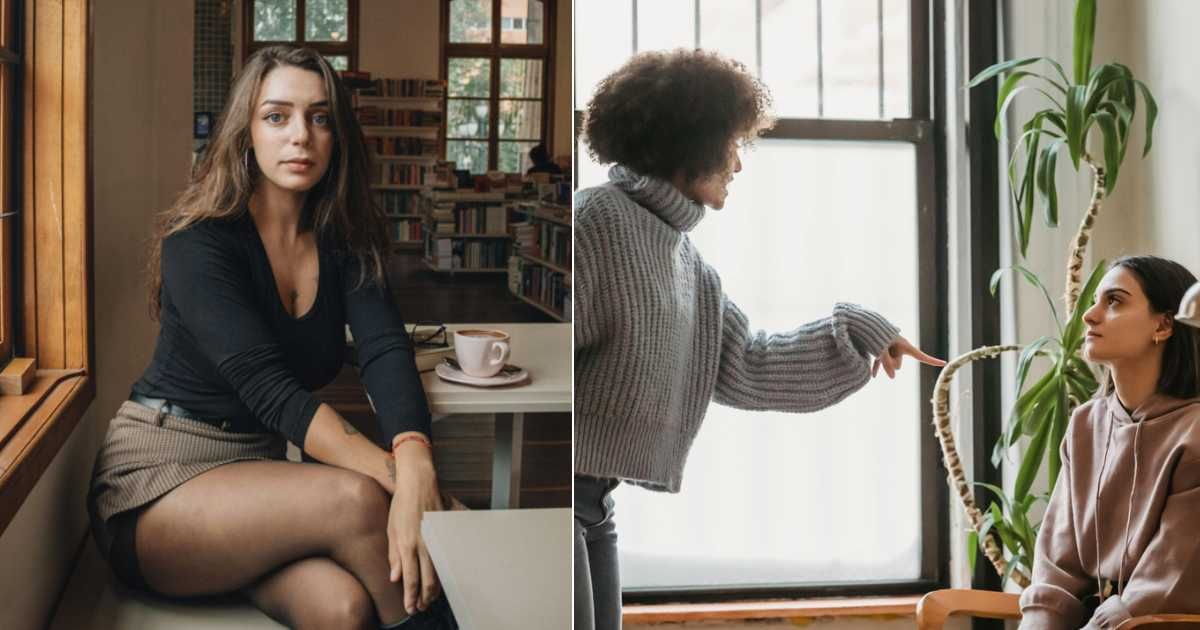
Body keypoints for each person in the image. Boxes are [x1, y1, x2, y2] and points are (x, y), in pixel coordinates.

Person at [572, 49, 945, 630]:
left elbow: (747, 364)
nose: (739, 165)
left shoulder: (686, 261)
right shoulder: (595, 221)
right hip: (558, 499)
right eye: (732, 145)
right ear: (689, 143)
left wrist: (861, 330)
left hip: (595, 506)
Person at [86, 46, 456, 630]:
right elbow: (271, 393)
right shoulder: (200, 242)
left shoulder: (343, 237)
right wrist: (399, 482)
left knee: (343, 611)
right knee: (358, 501)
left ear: (338, 135)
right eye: (277, 116)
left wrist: (415, 458)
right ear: (245, 133)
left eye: (320, 117)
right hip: (159, 483)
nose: (300, 137)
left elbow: (386, 348)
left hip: (260, 485)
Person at [1020, 255, 1200, 630]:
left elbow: (1173, 569)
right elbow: (1057, 566)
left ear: (1164, 324)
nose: (1089, 315)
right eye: (1095, 300)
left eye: (1114, 301)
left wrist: (1126, 610)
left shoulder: (1195, 430)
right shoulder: (1086, 423)